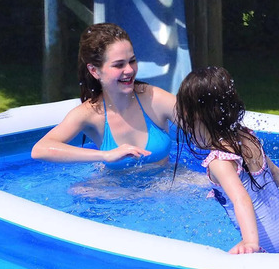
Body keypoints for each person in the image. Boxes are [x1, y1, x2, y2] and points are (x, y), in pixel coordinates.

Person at [175, 66, 279, 254]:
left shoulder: (219, 160)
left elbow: (241, 199)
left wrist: (250, 242)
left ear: (196, 117)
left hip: (266, 247)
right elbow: (275, 172)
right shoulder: (248, 137)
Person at [32, 23, 175, 169]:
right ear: (94, 71)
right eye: (119, 65)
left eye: (132, 61)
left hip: (165, 181)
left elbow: (191, 120)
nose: (129, 70)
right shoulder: (90, 113)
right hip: (112, 184)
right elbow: (40, 150)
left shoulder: (153, 98)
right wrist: (105, 155)